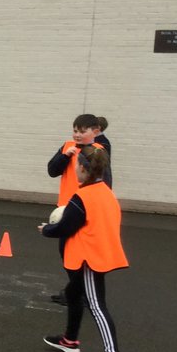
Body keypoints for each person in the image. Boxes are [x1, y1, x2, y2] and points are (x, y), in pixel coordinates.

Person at [38, 146, 128, 352]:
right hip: (100, 253)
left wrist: (47, 229)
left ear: (83, 168)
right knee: (72, 293)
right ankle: (70, 340)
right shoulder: (105, 192)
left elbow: (66, 226)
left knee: (97, 306)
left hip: (89, 258)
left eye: (77, 165)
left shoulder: (82, 197)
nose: (75, 169)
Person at [47, 114, 109, 305]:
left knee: (82, 255)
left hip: (85, 207)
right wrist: (65, 156)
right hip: (66, 207)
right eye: (75, 130)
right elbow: (52, 170)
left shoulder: (98, 150)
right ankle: (75, 291)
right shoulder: (67, 147)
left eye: (82, 131)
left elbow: (105, 180)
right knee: (65, 252)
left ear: (95, 132)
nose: (78, 135)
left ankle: (81, 294)